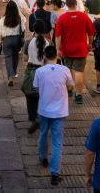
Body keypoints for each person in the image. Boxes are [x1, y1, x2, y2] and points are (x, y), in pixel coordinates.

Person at [33, 45, 75, 186]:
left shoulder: (39, 71)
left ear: (44, 56)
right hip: (60, 111)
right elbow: (70, 86)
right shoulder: (64, 70)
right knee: (57, 143)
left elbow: (36, 88)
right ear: (57, 56)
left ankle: (42, 156)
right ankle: (55, 173)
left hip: (44, 109)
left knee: (43, 134)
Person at [54, 0, 96, 104]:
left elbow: (58, 35)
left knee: (68, 70)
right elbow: (91, 33)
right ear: (76, 3)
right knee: (79, 71)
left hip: (66, 48)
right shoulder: (84, 16)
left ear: (66, 5)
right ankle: (79, 94)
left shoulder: (62, 18)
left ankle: (69, 89)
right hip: (81, 49)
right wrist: (90, 44)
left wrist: (57, 49)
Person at [22, 20, 50, 135]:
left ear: (33, 29)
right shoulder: (49, 42)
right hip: (44, 72)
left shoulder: (28, 42)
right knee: (43, 96)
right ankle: (42, 116)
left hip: (31, 72)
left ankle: (33, 117)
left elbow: (24, 58)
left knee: (30, 95)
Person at [0, 1, 25, 86]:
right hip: (16, 39)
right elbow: (23, 29)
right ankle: (14, 72)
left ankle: (10, 76)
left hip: (7, 40)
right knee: (15, 56)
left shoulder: (3, 19)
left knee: (7, 58)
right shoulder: (19, 18)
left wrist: (1, 39)